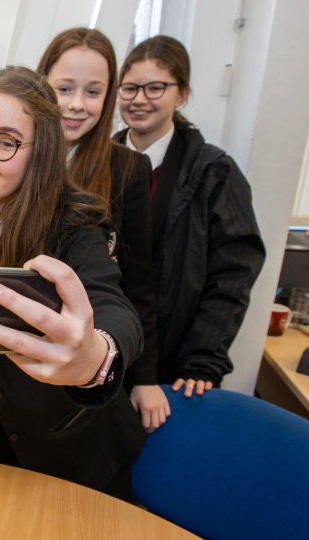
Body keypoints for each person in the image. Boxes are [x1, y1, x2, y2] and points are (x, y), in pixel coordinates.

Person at [0, 66, 147, 528]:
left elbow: (113, 306)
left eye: (5, 142)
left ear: (40, 152)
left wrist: (94, 359)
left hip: (77, 456)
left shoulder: (76, 226)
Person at [114, 36, 265, 398]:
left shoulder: (215, 172)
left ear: (181, 95)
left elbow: (233, 274)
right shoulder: (98, 163)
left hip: (175, 360)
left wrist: (203, 358)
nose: (138, 99)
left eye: (155, 88)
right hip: (106, 345)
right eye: (129, 88)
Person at [37, 28, 166, 433]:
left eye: (93, 92)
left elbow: (139, 282)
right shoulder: (15, 158)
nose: (76, 105)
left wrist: (144, 377)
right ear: (42, 85)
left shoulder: (128, 168)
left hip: (89, 360)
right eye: (64, 88)